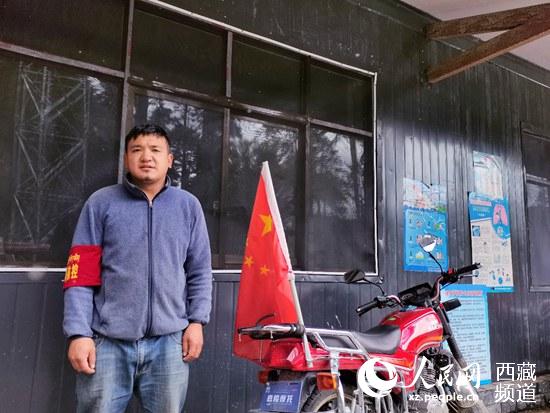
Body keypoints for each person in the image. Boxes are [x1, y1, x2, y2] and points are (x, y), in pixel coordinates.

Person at [63, 124, 212, 412]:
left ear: (169, 159)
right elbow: (80, 274)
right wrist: (78, 334)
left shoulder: (188, 207)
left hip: (170, 343)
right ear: (126, 159)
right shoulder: (101, 203)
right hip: (107, 342)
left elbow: (200, 271)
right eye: (137, 150)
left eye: (155, 150)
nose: (146, 157)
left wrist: (197, 322)